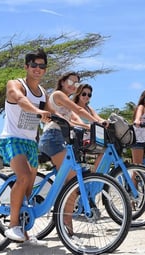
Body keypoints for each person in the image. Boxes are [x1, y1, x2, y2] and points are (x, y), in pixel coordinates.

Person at [38, 72, 103, 236]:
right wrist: (97, 122)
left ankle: (64, 219)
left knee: (72, 178)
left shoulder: (64, 99)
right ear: (62, 81)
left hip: (62, 138)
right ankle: (65, 221)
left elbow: (73, 119)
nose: (73, 85)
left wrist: (93, 123)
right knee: (73, 179)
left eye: (76, 83)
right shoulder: (59, 94)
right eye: (70, 81)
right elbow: (78, 109)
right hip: (52, 138)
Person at [0, 48, 52, 242]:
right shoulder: (15, 84)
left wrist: (80, 125)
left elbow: (53, 114)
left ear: (45, 69)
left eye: (42, 66)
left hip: (30, 143)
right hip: (11, 139)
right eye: (34, 65)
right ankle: (12, 226)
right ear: (26, 67)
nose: (38, 69)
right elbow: (20, 100)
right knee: (24, 177)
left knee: (29, 187)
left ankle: (23, 229)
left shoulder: (43, 93)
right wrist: (38, 111)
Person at [71, 83, 107, 171]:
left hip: (90, 136)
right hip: (78, 136)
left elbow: (97, 118)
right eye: (84, 94)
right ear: (78, 93)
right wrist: (86, 126)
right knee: (104, 150)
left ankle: (95, 174)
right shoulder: (73, 106)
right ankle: (95, 175)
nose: (86, 96)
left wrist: (105, 121)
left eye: (89, 95)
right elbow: (73, 121)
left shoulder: (89, 108)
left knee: (106, 151)